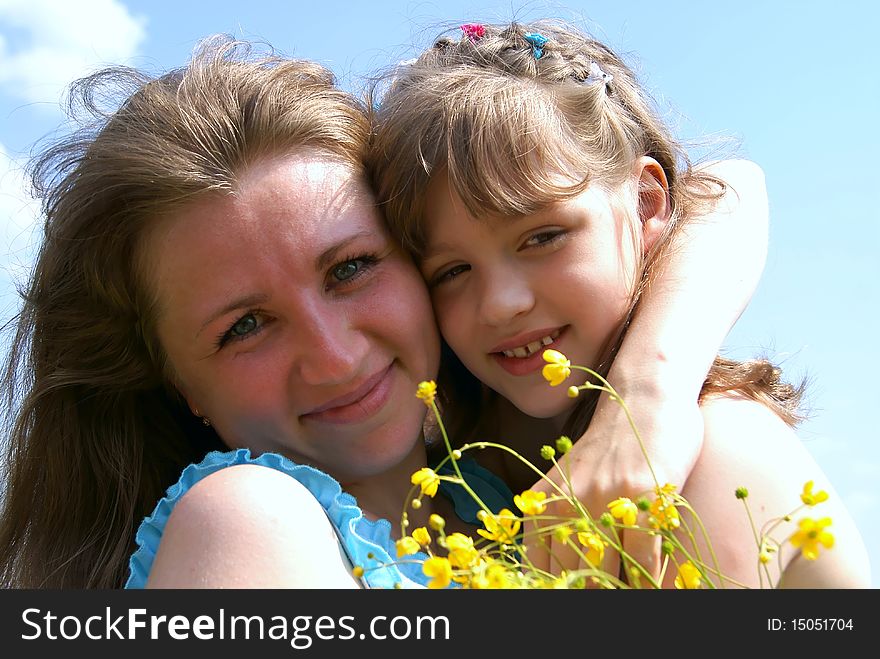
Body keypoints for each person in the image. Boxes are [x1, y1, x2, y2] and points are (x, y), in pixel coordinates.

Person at [0, 36, 518, 589]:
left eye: (350, 268)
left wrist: (625, 396)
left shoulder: (501, 483)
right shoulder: (245, 519)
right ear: (181, 386)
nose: (336, 359)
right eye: (244, 327)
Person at [368, 20, 871, 587]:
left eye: (543, 237)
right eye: (452, 270)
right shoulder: (446, 473)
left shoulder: (708, 454)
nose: (501, 303)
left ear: (648, 201)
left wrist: (648, 398)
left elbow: (730, 186)